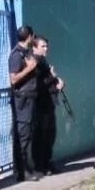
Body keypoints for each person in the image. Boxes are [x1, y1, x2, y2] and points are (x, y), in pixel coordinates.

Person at [7, 25, 40, 182]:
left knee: (28, 135)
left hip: (30, 97)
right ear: (30, 36)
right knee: (23, 136)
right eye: (33, 36)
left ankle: (27, 170)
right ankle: (22, 172)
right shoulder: (16, 55)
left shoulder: (27, 52)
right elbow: (13, 79)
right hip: (22, 100)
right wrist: (29, 68)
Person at [30, 36, 65, 176]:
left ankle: (47, 162)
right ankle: (40, 165)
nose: (46, 48)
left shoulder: (42, 61)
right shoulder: (34, 63)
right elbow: (41, 84)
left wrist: (56, 81)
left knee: (50, 135)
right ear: (35, 47)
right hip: (40, 105)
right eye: (43, 46)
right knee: (41, 136)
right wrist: (55, 82)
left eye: (46, 46)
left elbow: (48, 81)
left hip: (48, 104)